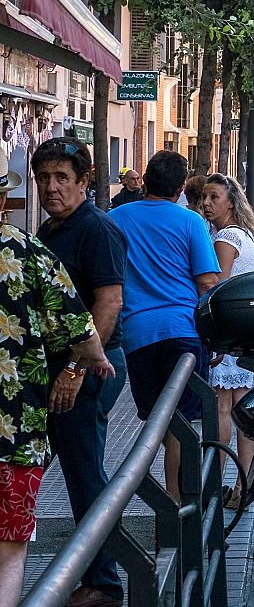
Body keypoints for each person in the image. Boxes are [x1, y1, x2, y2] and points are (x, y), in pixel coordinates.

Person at [0, 169, 113, 607]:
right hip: (15, 429)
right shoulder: (24, 249)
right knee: (8, 547)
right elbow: (74, 319)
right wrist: (96, 357)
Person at [33, 139, 128, 607]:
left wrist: (75, 367)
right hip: (54, 372)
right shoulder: (51, 230)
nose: (51, 187)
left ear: (84, 182)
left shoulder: (97, 230)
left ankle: (105, 583)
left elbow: (108, 302)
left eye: (61, 178)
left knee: (85, 474)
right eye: (44, 178)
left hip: (91, 369)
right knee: (60, 470)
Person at [109, 151, 220, 500]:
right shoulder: (190, 222)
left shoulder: (115, 219)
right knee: (181, 425)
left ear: (144, 179)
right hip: (184, 332)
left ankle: (153, 500)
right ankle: (177, 506)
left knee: (154, 422)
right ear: (182, 187)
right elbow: (207, 282)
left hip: (137, 336)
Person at [198, 174, 254, 510]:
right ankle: (243, 485)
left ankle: (215, 482)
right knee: (243, 414)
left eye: (214, 197)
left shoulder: (226, 237)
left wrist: (216, 340)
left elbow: (218, 289)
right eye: (205, 197)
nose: (206, 203)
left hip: (229, 338)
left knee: (223, 409)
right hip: (247, 335)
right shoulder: (248, 235)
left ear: (231, 202)